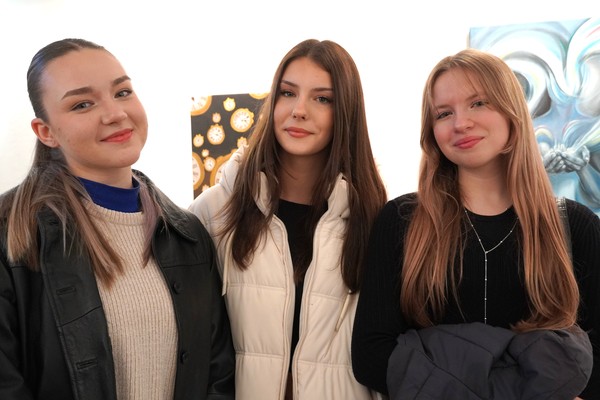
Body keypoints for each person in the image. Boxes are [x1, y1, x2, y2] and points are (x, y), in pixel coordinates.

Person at [352, 48, 599, 399]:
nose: (460, 123)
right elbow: (372, 355)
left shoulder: (575, 226)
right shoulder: (401, 220)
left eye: (478, 103)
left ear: (512, 112)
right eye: (443, 113)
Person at [0, 38, 235, 400]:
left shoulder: (187, 233)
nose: (114, 113)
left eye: (122, 92)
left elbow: (217, 373)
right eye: (82, 104)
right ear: (45, 132)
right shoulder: (11, 232)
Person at [189, 39, 388, 399]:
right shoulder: (215, 210)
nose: (299, 110)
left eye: (322, 99)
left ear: (346, 112)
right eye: (287, 93)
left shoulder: (372, 217)